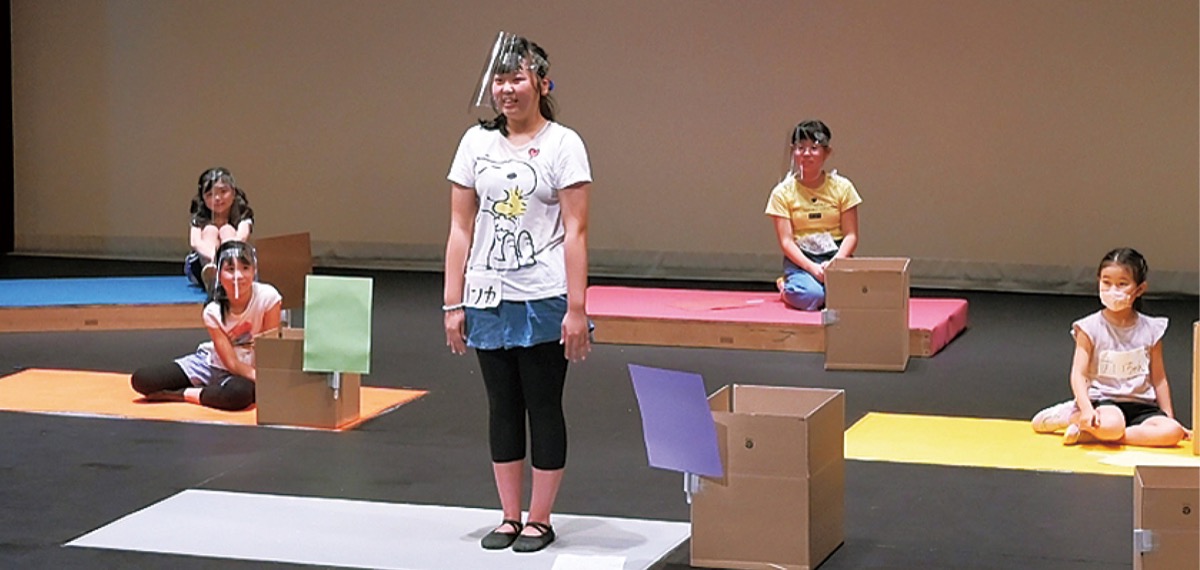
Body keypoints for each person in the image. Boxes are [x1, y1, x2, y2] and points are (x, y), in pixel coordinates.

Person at [443, 33, 591, 554]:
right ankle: (509, 515)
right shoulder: (475, 144)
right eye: (500, 80)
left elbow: (576, 231)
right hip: (486, 295)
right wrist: (453, 302)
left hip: (544, 296)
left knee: (543, 405)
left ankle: (540, 518)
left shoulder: (563, 144)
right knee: (501, 406)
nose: (506, 89)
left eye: (517, 79)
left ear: (543, 84)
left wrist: (577, 308)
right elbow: (460, 228)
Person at [1030, 248, 1188, 447]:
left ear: (1139, 289)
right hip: (1105, 402)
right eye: (1106, 282)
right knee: (1112, 425)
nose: (1113, 290)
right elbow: (1078, 374)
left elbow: (1159, 379)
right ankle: (1073, 416)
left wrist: (1169, 417)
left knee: (1173, 432)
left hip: (1142, 405)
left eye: (1122, 284)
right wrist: (1086, 409)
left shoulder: (1151, 329)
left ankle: (1093, 434)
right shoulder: (1089, 327)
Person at [133, 240, 281, 411]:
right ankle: (212, 391)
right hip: (213, 364)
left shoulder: (269, 297)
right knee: (142, 379)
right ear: (218, 273)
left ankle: (183, 394)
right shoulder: (213, 310)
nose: (238, 276)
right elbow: (231, 363)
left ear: (254, 270)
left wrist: (262, 377)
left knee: (238, 394)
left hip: (249, 371)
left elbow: (270, 349)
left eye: (245, 268)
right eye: (230, 269)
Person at [765, 120, 861, 310]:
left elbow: (851, 235)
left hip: (837, 256)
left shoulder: (843, 187)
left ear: (827, 152)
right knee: (812, 296)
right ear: (793, 151)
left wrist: (834, 264)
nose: (806, 154)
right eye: (800, 148)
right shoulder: (782, 193)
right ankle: (787, 288)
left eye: (814, 148)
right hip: (802, 259)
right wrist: (813, 268)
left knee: (853, 298)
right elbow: (786, 242)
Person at [185, 167, 254, 292]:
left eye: (223, 191)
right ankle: (211, 276)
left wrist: (224, 259)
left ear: (233, 192)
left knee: (226, 229)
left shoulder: (242, 214)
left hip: (235, 261)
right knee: (210, 230)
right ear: (202, 198)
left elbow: (241, 237)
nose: (217, 198)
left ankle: (228, 272)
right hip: (204, 263)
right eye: (210, 194)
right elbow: (195, 242)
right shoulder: (200, 216)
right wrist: (213, 257)